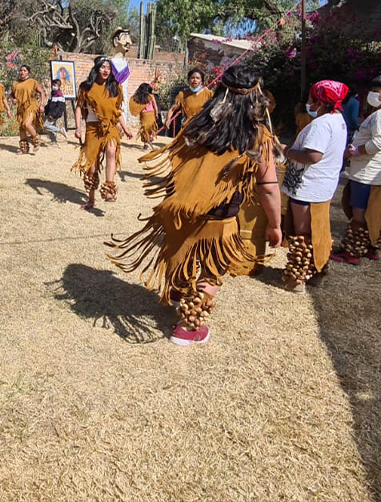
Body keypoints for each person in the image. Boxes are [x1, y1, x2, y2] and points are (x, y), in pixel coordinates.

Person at [108, 65, 283, 346]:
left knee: (182, 251)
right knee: (213, 268)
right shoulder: (258, 136)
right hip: (220, 217)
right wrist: (275, 225)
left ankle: (178, 294)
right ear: (256, 98)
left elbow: (175, 166)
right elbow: (269, 188)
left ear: (219, 93)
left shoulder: (198, 124)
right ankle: (187, 328)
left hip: (182, 208)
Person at [279, 80, 349, 293]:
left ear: (320, 102)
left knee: (303, 232)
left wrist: (287, 151)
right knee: (317, 231)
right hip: (321, 185)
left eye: (310, 99)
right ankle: (317, 270)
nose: (307, 103)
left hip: (307, 186)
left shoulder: (321, 124)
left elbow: (313, 155)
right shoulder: (338, 119)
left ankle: (298, 278)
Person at [332, 74, 381, 265]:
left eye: (376, 93)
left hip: (368, 172)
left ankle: (353, 251)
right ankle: (371, 247)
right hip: (376, 171)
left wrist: (356, 151)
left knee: (360, 212)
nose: (372, 96)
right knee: (372, 212)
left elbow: (379, 142)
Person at [73, 57, 135, 209]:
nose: (106, 70)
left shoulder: (115, 87)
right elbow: (79, 107)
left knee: (111, 152)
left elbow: (117, 111)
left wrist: (125, 128)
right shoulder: (86, 87)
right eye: (102, 67)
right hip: (93, 128)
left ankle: (109, 190)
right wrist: (78, 127)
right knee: (92, 166)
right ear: (96, 69)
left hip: (110, 127)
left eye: (108, 67)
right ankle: (91, 199)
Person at [10, 64, 45, 154]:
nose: (22, 72)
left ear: (28, 72)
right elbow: (12, 95)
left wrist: (42, 105)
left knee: (27, 124)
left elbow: (41, 92)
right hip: (21, 107)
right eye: (21, 70)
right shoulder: (15, 83)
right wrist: (13, 99)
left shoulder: (33, 82)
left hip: (31, 105)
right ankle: (24, 149)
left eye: (25, 70)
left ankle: (36, 140)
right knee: (22, 128)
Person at [129, 82, 160, 150]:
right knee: (151, 128)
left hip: (143, 115)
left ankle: (146, 142)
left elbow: (137, 107)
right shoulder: (151, 96)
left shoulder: (139, 98)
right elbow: (155, 106)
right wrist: (156, 114)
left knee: (144, 129)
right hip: (151, 114)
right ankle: (149, 139)